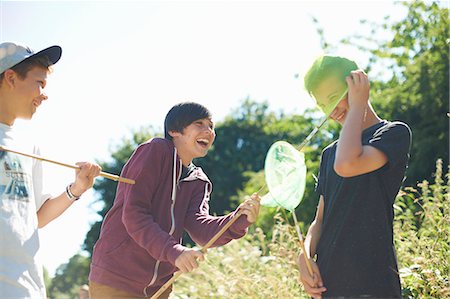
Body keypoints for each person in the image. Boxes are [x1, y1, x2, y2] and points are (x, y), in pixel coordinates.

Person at [89, 102, 261, 298]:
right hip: (118, 278)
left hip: (160, 288)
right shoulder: (154, 151)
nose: (209, 131)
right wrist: (175, 252)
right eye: (199, 123)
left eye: (211, 126)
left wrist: (238, 219)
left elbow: (201, 230)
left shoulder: (199, 181)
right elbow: (134, 214)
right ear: (174, 131)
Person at [297, 55, 411, 299]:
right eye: (322, 105)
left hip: (373, 282)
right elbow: (320, 220)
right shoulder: (329, 154)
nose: (331, 111)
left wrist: (359, 104)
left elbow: (348, 164)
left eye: (333, 98)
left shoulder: (393, 134)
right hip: (329, 285)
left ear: (357, 84)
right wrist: (304, 257)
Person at [0, 42, 101, 298]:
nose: (44, 95)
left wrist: (76, 189)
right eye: (39, 83)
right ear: (10, 77)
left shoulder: (28, 145)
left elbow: (34, 219)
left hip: (28, 288)